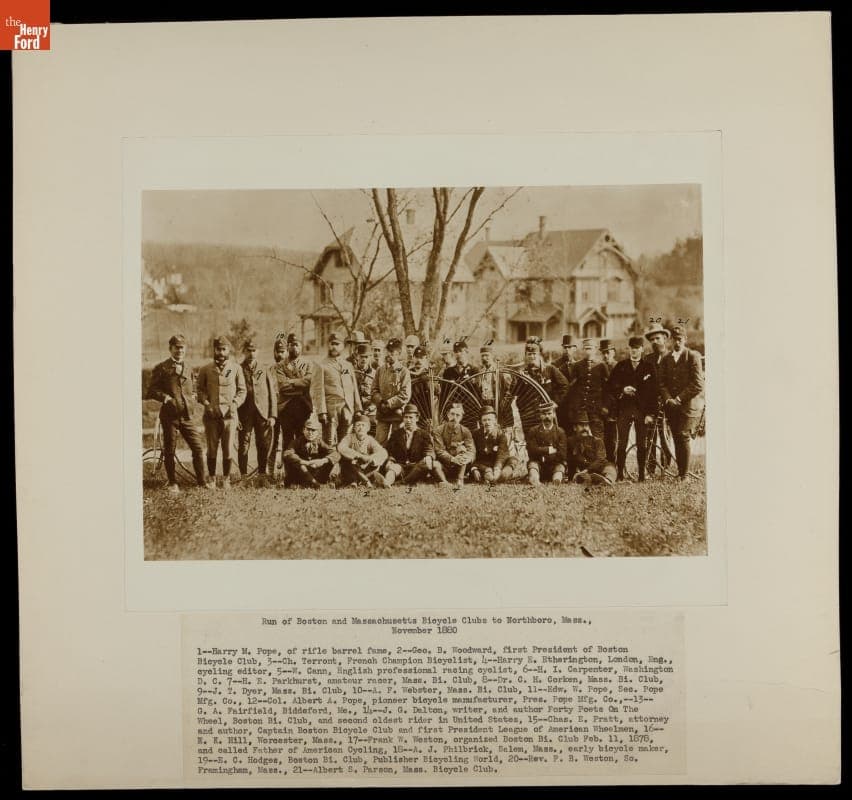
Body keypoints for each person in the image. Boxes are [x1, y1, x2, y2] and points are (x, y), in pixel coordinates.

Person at [145, 334, 208, 492]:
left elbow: (192, 388)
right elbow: (151, 390)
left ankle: (202, 482)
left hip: (187, 416)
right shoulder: (162, 367)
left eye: (182, 347)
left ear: (185, 349)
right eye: (176, 347)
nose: (179, 350)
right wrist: (165, 398)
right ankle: (173, 483)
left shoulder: (189, 367)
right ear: (170, 349)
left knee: (198, 447)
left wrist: (192, 399)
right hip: (169, 417)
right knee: (170, 450)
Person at [196, 335, 247, 488]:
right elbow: (199, 390)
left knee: (228, 448)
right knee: (212, 448)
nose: (220, 352)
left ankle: (226, 479)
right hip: (211, 416)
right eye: (218, 349)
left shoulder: (236, 368)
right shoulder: (205, 369)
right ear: (214, 350)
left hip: (230, 417)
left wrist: (235, 404)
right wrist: (206, 404)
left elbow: (242, 391)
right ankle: (211, 478)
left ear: (228, 351)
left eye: (224, 349)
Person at [606, 336, 657, 481]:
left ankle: (641, 475)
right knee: (622, 441)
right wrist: (623, 390)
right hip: (625, 409)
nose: (634, 351)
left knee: (642, 442)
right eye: (631, 348)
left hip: (642, 411)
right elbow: (610, 386)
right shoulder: (621, 366)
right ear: (629, 349)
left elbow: (654, 392)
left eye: (637, 348)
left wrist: (650, 414)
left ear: (642, 349)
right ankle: (620, 474)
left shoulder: (649, 367)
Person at [659, 324, 705, 479]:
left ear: (685, 339)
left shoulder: (692, 356)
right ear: (671, 340)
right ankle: (680, 473)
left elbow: (698, 384)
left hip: (688, 406)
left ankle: (683, 475)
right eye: (674, 339)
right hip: (672, 406)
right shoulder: (666, 359)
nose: (677, 342)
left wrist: (679, 398)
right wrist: (668, 399)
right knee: (677, 437)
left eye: (680, 339)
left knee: (683, 435)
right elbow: (662, 383)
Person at [269, 333, 312, 476]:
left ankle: (302, 474)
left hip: (303, 407)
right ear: (288, 346)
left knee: (302, 439)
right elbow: (282, 387)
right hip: (286, 408)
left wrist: (291, 382)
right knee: (287, 440)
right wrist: (299, 385)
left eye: (297, 344)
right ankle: (289, 474)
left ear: (301, 347)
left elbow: (308, 382)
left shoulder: (307, 364)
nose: (294, 347)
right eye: (291, 344)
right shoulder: (280, 366)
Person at [310, 331, 362, 447]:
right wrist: (321, 411)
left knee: (346, 443)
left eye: (337, 344)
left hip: (347, 409)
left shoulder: (348, 365)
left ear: (343, 346)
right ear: (328, 345)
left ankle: (344, 465)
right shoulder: (321, 365)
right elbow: (317, 391)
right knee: (329, 443)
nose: (334, 347)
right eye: (331, 343)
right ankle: (328, 465)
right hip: (330, 410)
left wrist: (358, 408)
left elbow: (354, 388)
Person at [236, 339, 277, 483]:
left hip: (262, 414)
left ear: (258, 351)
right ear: (244, 351)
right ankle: (243, 477)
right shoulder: (238, 369)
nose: (251, 353)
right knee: (244, 444)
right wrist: (235, 416)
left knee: (263, 444)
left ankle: (262, 475)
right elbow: (234, 393)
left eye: (254, 350)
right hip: (244, 414)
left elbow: (272, 393)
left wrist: (272, 415)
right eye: (249, 350)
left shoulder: (264, 369)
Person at [515, 337, 570, 436]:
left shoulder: (550, 369)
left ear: (539, 354)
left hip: (546, 415)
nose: (532, 357)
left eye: (534, 354)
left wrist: (555, 402)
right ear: (526, 356)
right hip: (528, 417)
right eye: (529, 354)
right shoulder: (523, 373)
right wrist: (519, 379)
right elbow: (515, 394)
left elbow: (565, 385)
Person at [565, 338, 610, 441]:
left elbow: (607, 389)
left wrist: (605, 406)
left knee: (597, 437)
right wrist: (574, 407)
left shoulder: (601, 365)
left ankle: (599, 457)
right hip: (581, 409)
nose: (587, 351)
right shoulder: (577, 366)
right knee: (580, 438)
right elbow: (573, 389)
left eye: (590, 348)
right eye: (585, 349)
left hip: (596, 408)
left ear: (595, 349)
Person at [370, 337, 412, 445]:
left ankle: (395, 461)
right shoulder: (380, 370)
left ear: (398, 353)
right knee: (379, 442)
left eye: (392, 352)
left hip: (396, 413)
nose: (388, 354)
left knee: (397, 442)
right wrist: (380, 402)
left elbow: (405, 394)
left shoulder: (404, 372)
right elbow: (374, 390)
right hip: (382, 412)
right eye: (388, 351)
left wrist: (389, 403)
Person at [382, 404, 436, 486]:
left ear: (417, 418)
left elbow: (428, 449)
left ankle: (401, 483)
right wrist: (390, 460)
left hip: (416, 467)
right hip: (401, 466)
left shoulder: (424, 434)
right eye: (406, 417)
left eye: (411, 417)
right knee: (393, 469)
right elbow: (389, 450)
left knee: (424, 464)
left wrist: (428, 457)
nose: (408, 420)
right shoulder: (396, 434)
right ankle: (387, 483)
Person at [282, 414, 341, 488]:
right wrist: (304, 462)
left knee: (330, 460)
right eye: (308, 429)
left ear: (317, 432)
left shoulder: (320, 442)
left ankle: (316, 483)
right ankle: (315, 484)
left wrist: (322, 461)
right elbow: (287, 453)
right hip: (300, 475)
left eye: (313, 430)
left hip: (315, 473)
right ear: (303, 430)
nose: (310, 433)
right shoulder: (296, 442)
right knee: (295, 462)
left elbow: (336, 454)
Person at [336, 412, 389, 487]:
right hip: (352, 467)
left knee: (376, 466)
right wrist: (359, 456)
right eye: (358, 425)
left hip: (365, 467)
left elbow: (383, 452)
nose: (360, 428)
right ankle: (363, 481)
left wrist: (370, 459)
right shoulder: (349, 437)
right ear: (354, 428)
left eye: (363, 425)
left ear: (368, 428)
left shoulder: (370, 440)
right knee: (347, 464)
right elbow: (341, 447)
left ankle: (359, 481)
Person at [470, 405, 518, 484]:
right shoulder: (476, 434)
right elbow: (472, 453)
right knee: (484, 472)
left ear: (495, 420)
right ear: (481, 421)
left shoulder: (501, 435)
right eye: (484, 420)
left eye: (489, 419)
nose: (487, 422)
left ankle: (502, 475)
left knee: (511, 462)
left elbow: (501, 455)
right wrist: (474, 468)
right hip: (483, 464)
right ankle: (490, 477)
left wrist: (497, 469)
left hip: (498, 463)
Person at [431, 402, 475, 487]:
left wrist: (467, 458)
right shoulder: (438, 430)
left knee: (462, 449)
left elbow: (471, 450)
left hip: (461, 466)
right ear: (448, 414)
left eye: (458, 415)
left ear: (461, 417)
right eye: (452, 414)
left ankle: (460, 479)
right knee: (434, 464)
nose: (454, 417)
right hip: (444, 466)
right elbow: (439, 450)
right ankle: (444, 482)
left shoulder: (465, 431)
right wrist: (452, 459)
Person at [566, 411, 616, 485]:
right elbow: (570, 462)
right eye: (581, 425)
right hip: (586, 472)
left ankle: (607, 480)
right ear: (575, 428)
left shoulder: (597, 441)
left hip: (601, 468)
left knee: (610, 470)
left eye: (586, 425)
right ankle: (597, 480)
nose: (585, 428)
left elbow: (600, 460)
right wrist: (571, 478)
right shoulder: (571, 442)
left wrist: (586, 470)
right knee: (583, 478)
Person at [525, 400, 567, 485]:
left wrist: (541, 452)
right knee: (532, 466)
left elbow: (562, 454)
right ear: (540, 416)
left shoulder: (560, 432)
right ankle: (534, 479)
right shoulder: (533, 431)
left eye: (549, 413)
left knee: (560, 467)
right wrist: (548, 450)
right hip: (538, 464)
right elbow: (531, 451)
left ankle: (556, 480)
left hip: (554, 464)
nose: (547, 417)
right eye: (544, 414)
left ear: (554, 415)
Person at [599, 338, 619, 463]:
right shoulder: (599, 368)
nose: (606, 355)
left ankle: (613, 465)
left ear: (613, 352)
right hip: (601, 410)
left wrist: (609, 407)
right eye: (603, 353)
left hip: (614, 410)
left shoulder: (619, 367)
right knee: (603, 439)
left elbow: (618, 391)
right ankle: (604, 465)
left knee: (613, 439)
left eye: (608, 352)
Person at [353, 342, 377, 437]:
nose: (364, 359)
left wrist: (372, 407)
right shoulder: (350, 372)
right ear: (357, 356)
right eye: (361, 356)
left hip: (370, 410)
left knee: (374, 424)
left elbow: (378, 393)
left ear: (370, 357)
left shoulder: (375, 374)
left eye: (366, 357)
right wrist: (356, 410)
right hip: (354, 410)